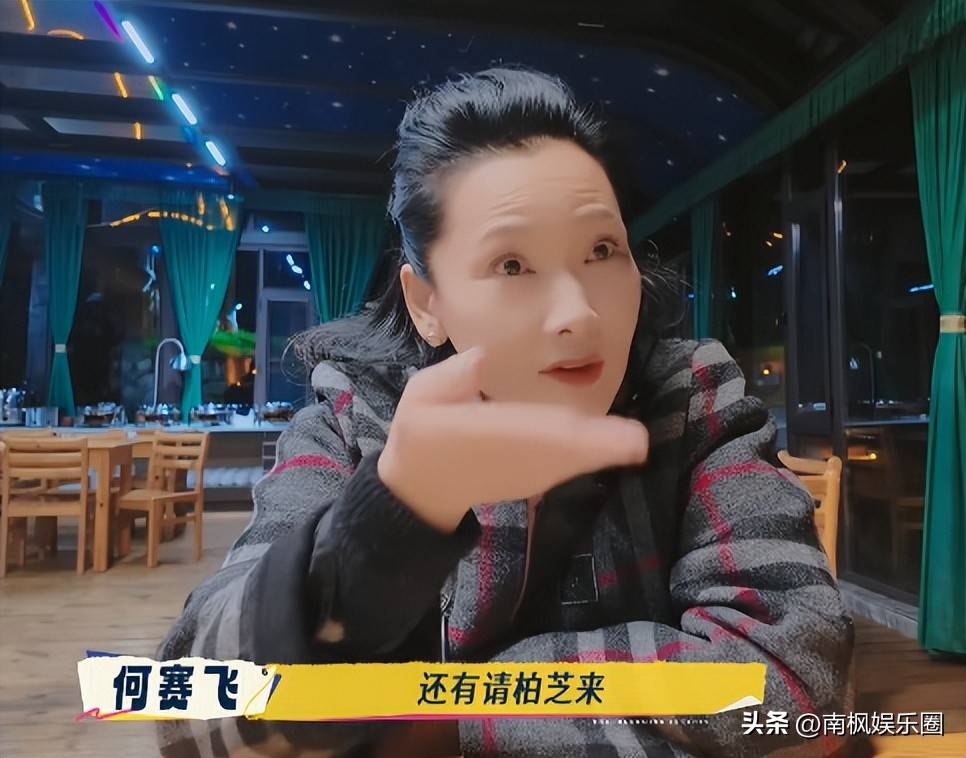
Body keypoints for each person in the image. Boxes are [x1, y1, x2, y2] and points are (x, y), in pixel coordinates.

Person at [156, 67, 855, 757]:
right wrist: (394, 514)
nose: (579, 313)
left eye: (601, 250)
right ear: (426, 302)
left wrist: (444, 718)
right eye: (513, 265)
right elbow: (199, 715)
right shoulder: (352, 420)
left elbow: (793, 686)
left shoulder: (691, 399)